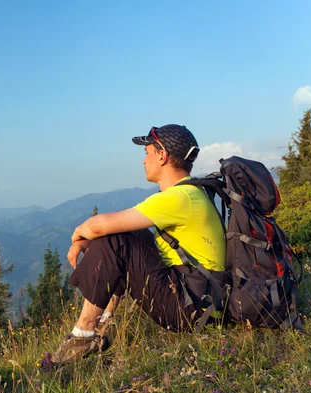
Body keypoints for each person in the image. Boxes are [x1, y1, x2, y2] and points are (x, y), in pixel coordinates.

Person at [49, 124, 228, 365]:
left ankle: (82, 336)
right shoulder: (193, 193)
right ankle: (103, 327)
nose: (144, 161)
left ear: (162, 156)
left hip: (189, 309)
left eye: (147, 153)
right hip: (201, 301)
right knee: (131, 235)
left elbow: (97, 226)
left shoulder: (178, 198)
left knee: (116, 241)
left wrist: (78, 237)